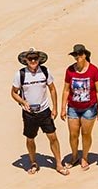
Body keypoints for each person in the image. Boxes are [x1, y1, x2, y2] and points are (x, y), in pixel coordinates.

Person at [11, 47, 69, 176]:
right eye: (30, 58)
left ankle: (59, 164)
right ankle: (33, 162)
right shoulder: (20, 74)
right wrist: (23, 102)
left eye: (35, 58)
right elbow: (13, 93)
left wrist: (55, 108)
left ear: (39, 59)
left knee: (53, 136)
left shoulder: (45, 71)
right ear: (25, 60)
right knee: (30, 138)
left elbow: (52, 89)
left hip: (44, 111)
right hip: (29, 113)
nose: (33, 60)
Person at [61, 43, 98, 171]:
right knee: (73, 134)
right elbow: (66, 90)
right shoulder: (70, 70)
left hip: (89, 108)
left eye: (79, 54)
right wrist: (63, 107)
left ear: (85, 55)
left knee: (86, 133)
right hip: (73, 107)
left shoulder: (94, 70)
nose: (77, 57)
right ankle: (74, 156)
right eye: (75, 55)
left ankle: (84, 157)